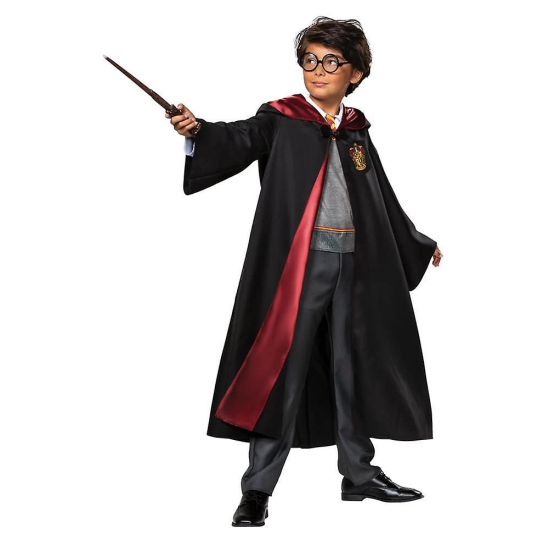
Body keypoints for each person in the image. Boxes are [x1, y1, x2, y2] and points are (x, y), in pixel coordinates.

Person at [166, 16, 443, 527]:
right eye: (310, 60)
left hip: (357, 265)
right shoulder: (281, 118)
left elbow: (380, 196)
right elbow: (239, 137)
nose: (318, 70)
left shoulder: (356, 130)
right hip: (298, 266)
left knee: (353, 365)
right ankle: (257, 489)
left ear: (355, 73)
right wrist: (198, 130)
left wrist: (416, 241)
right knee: (280, 368)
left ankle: (359, 475)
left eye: (331, 62)